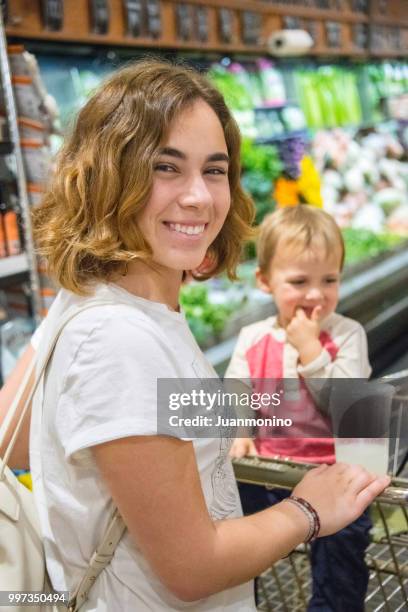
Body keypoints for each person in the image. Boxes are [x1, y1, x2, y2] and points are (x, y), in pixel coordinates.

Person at [0, 60, 390, 611]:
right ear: (109, 174)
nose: (199, 198)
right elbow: (192, 566)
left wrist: (250, 418)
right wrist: (308, 508)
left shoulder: (104, 303)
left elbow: (21, 434)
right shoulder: (121, 337)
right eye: (165, 166)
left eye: (213, 170)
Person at [227, 205, 373, 611]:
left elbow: (348, 407)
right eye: (298, 281)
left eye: (329, 280)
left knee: (342, 560)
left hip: (332, 476)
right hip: (264, 473)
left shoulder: (346, 335)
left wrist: (311, 350)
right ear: (264, 281)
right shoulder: (253, 337)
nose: (315, 294)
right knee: (233, 545)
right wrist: (240, 434)